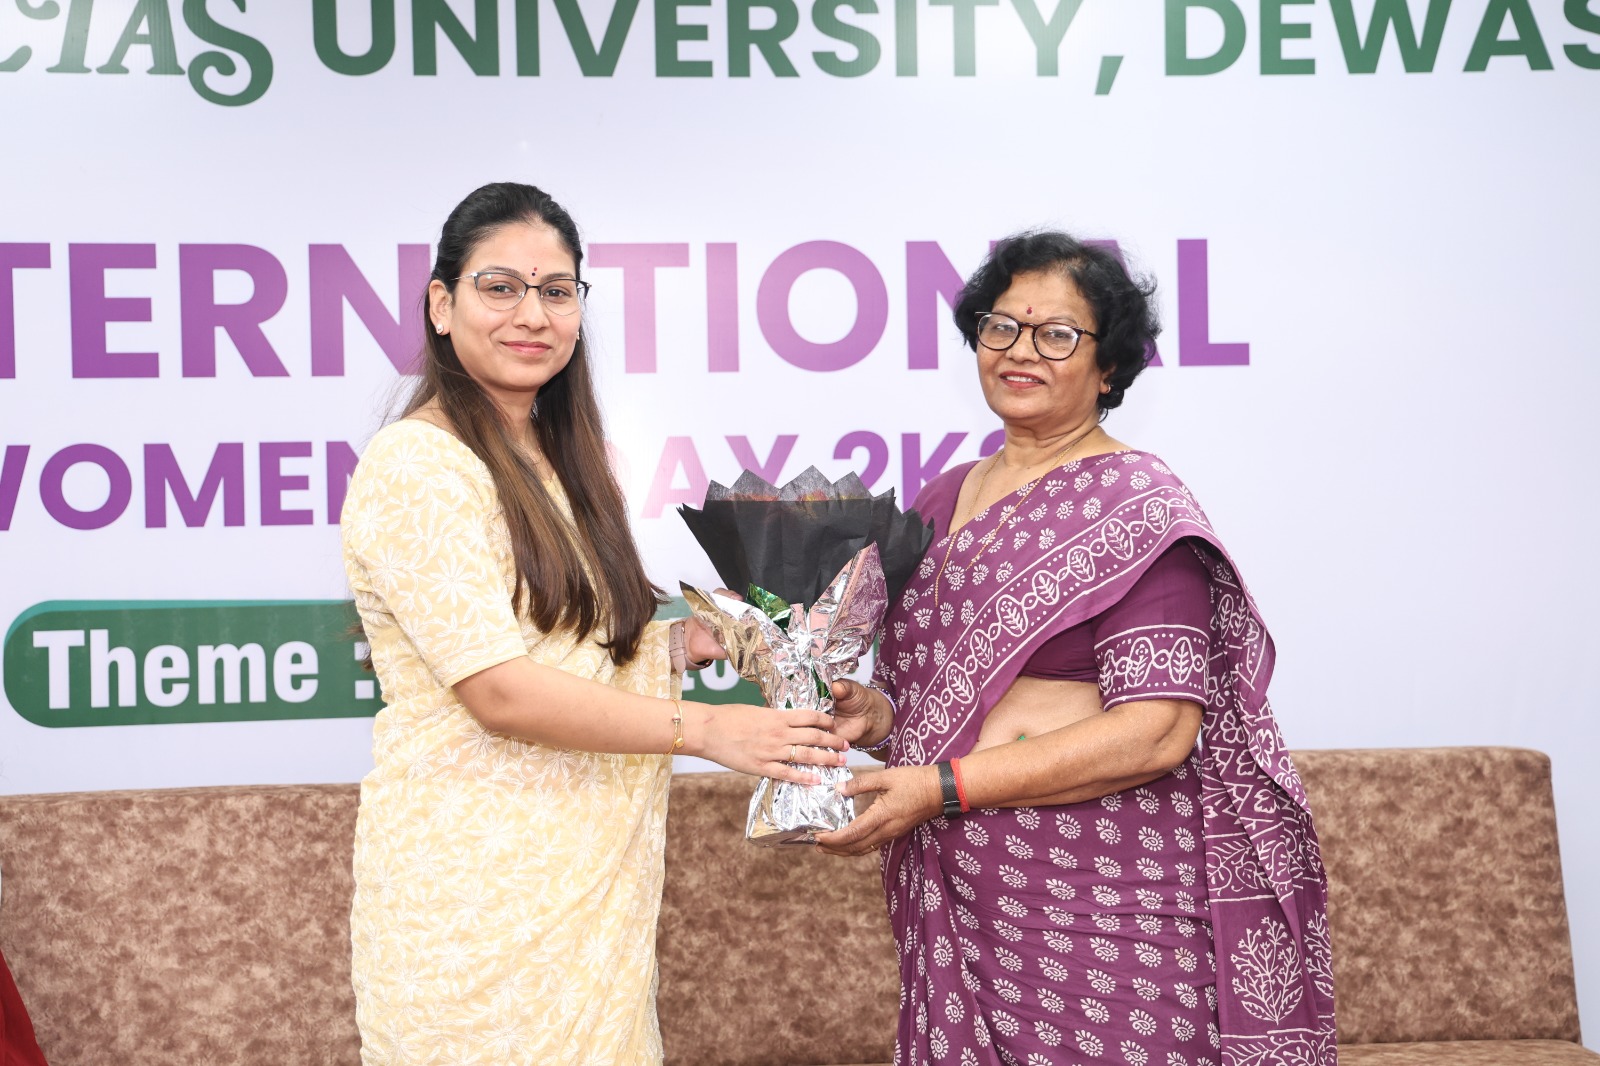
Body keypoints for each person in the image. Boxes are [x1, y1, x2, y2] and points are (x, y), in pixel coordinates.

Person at [339, 182, 846, 1065]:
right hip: (472, 909)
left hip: (589, 899)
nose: (532, 314)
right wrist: (708, 729)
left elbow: (567, 644)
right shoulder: (418, 464)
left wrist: (692, 640)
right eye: (500, 287)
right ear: (441, 305)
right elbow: (499, 689)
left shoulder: (558, 456)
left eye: (556, 290)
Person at [819, 232, 1335, 1066]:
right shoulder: (941, 498)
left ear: (1109, 367)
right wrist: (877, 717)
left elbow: (1156, 731)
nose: (1021, 350)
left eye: (1057, 334)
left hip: (1104, 912)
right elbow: (942, 700)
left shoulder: (1137, 506)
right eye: (1002, 327)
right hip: (962, 895)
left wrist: (941, 787)